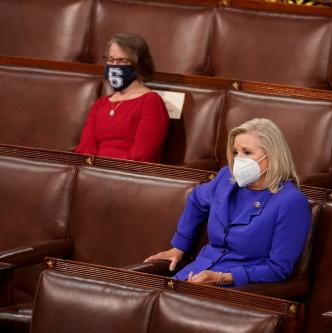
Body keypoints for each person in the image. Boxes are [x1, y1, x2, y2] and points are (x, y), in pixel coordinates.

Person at [145, 118, 311, 286]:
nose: (238, 159)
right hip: (195, 273)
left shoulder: (291, 202)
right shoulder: (227, 178)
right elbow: (196, 199)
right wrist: (178, 248)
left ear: (272, 156)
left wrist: (221, 277)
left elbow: (278, 269)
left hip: (240, 290)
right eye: (235, 152)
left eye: (246, 152)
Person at [75, 33, 168, 163]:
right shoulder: (100, 104)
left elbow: (142, 154)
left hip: (126, 176)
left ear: (138, 64)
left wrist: (108, 170)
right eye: (111, 60)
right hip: (93, 173)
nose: (114, 65)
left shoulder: (150, 102)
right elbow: (85, 149)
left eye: (122, 61)